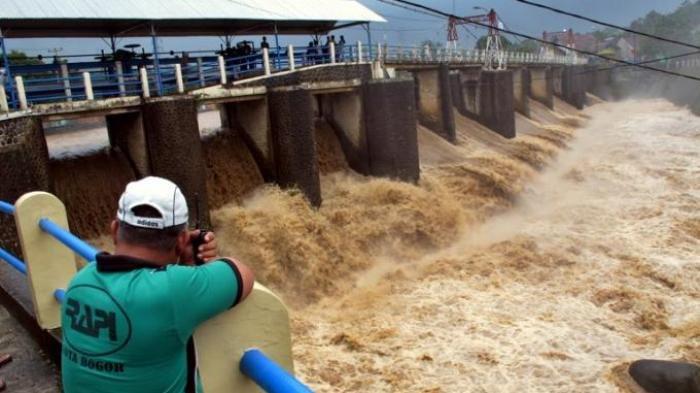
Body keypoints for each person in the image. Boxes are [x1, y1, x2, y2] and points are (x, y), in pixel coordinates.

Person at [60, 176, 255, 393]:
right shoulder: (173, 290)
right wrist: (189, 261)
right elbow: (242, 274)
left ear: (115, 230)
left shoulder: (80, 282)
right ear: (181, 240)